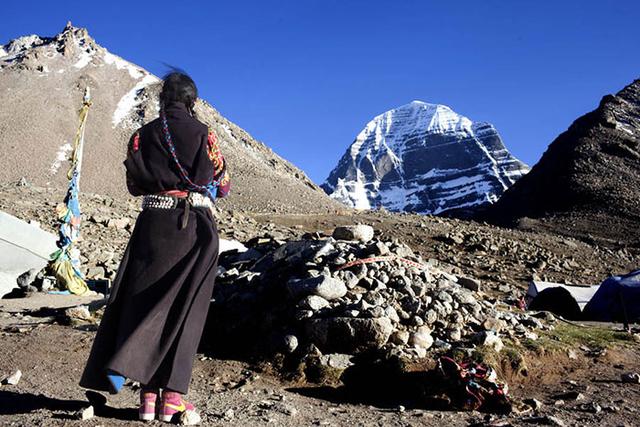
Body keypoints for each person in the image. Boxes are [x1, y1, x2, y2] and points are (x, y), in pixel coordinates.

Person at [80, 71, 230, 422]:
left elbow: (133, 185)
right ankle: (172, 399)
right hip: (195, 229)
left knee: (143, 306)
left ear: (162, 101)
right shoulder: (205, 134)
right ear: (192, 102)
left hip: (151, 227)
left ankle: (147, 398)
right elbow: (221, 183)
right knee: (186, 312)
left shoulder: (141, 136)